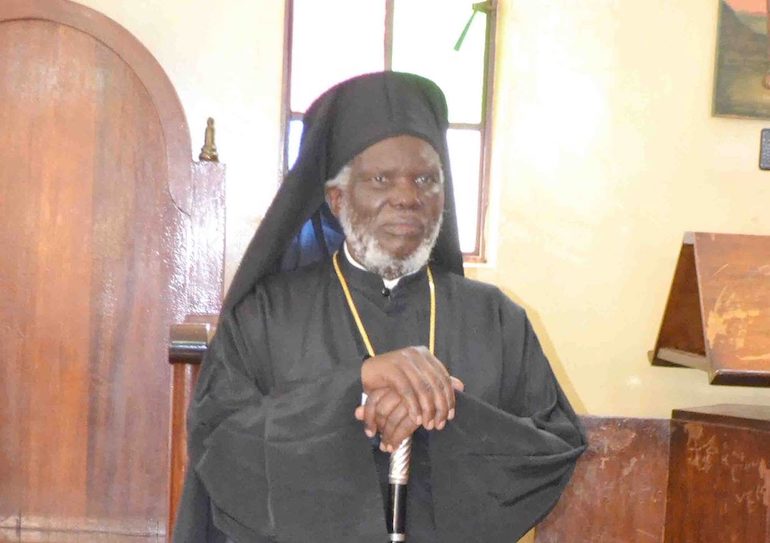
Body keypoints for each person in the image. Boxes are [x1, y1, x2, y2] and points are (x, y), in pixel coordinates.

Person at [173, 71, 586, 543]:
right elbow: (221, 440)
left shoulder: (496, 320)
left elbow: (555, 444)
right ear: (336, 199)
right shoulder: (265, 315)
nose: (407, 197)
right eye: (380, 179)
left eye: (425, 179)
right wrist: (355, 390)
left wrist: (443, 414)